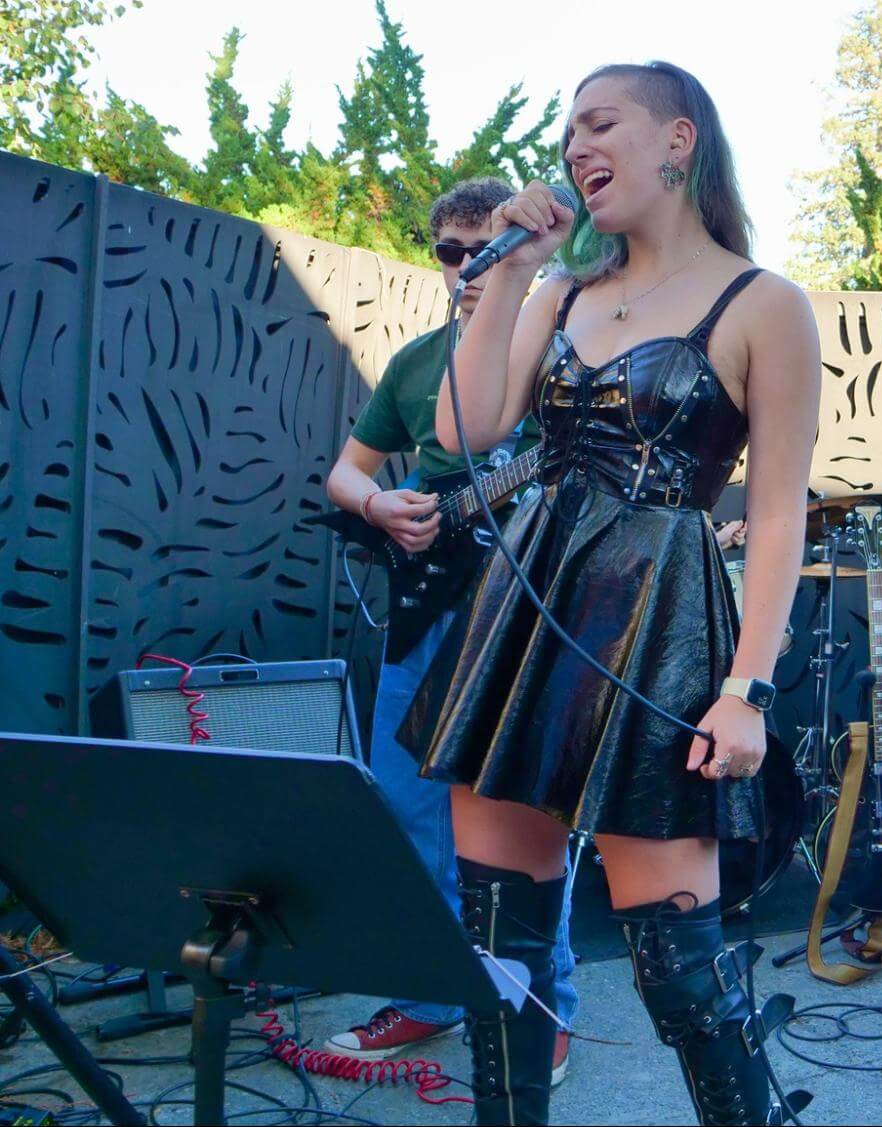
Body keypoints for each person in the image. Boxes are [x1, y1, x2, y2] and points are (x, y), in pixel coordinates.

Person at [401, 60, 819, 1126]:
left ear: (679, 140)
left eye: (602, 123)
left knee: (681, 968)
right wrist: (508, 271)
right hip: (525, 608)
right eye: (568, 131)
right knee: (501, 948)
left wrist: (748, 689)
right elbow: (463, 431)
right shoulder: (558, 288)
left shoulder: (763, 303)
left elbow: (776, 512)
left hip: (661, 622)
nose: (577, 146)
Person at [322, 178, 580, 1078]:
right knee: (407, 805)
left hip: (526, 613)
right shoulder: (415, 361)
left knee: (523, 818)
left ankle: (545, 1008)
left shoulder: (565, 346)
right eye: (452, 251)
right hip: (428, 603)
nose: (471, 266)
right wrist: (382, 501)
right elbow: (343, 476)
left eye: (488, 245)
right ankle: (437, 993)